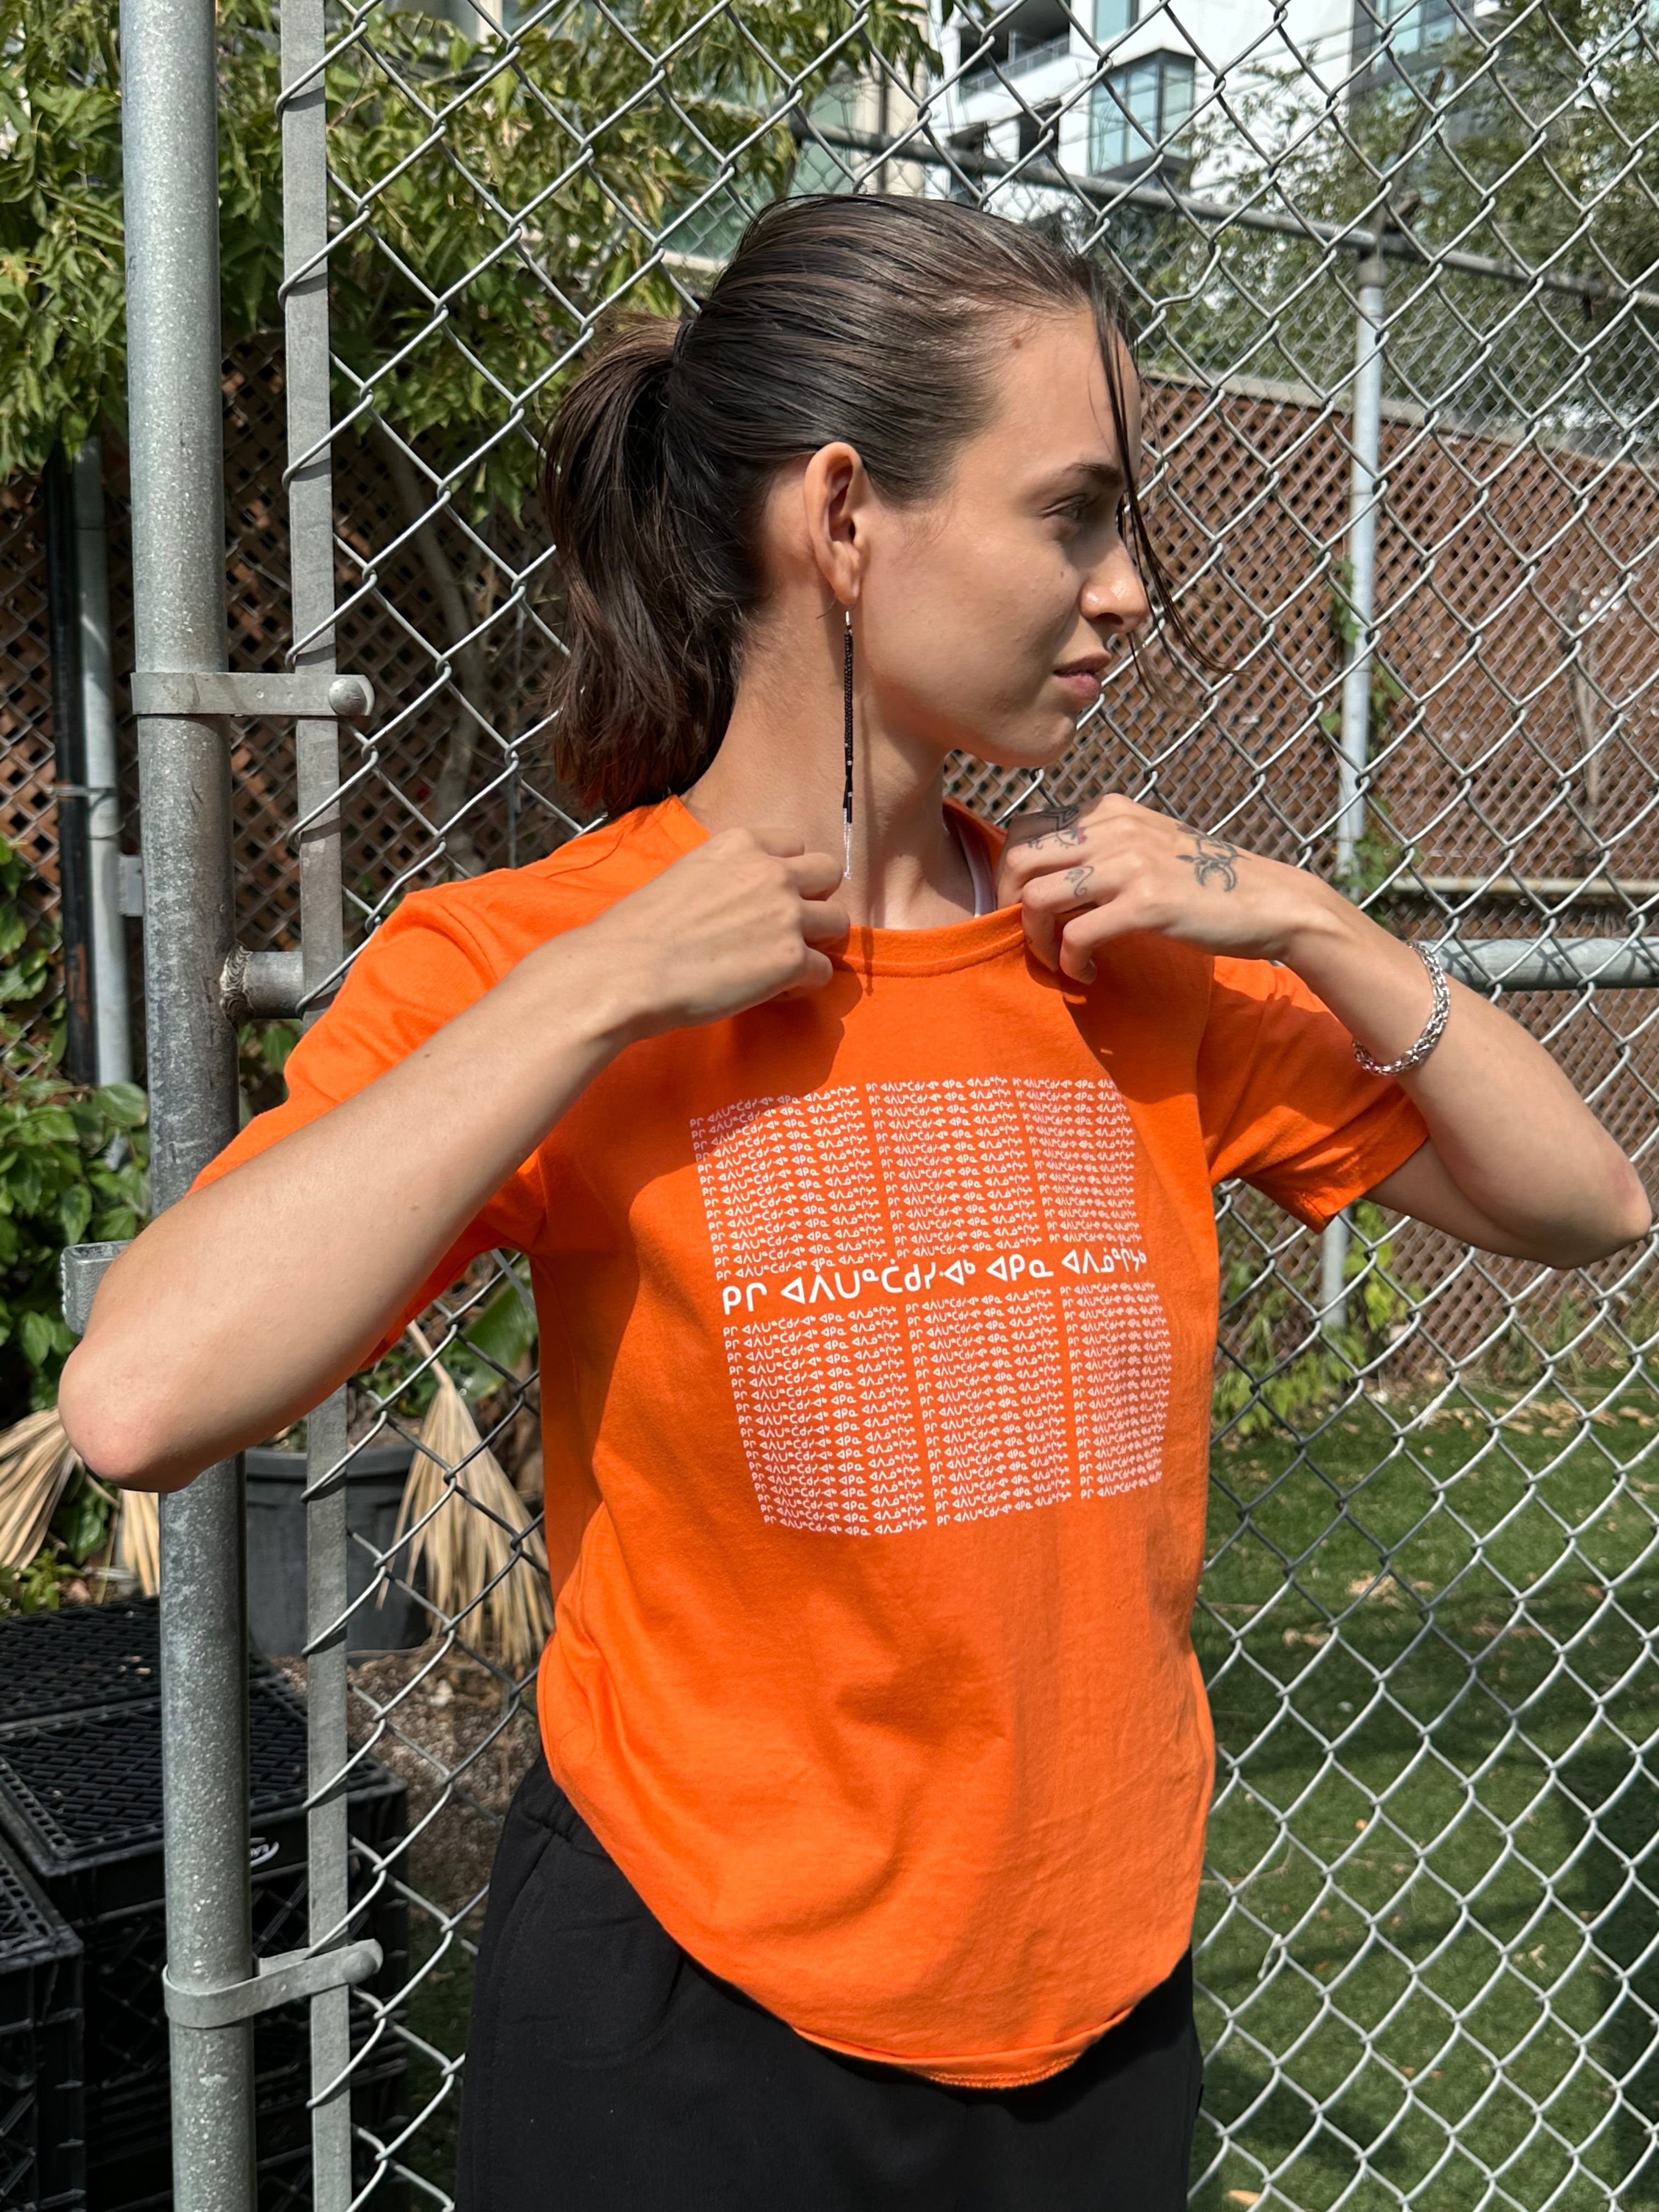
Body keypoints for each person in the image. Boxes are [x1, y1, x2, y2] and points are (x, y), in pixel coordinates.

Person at [60, 195, 1648, 2211]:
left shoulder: (1134, 955)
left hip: (1099, 2012)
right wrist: (608, 979)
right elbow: (142, 1396)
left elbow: (1586, 1207)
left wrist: (1308, 917)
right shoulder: (531, 967)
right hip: (687, 2026)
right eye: (1073, 513)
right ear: (843, 518)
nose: (1131, 589)